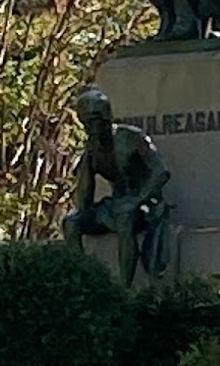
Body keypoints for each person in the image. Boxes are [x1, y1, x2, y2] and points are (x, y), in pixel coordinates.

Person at [62, 88, 171, 287]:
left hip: (145, 203)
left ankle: (124, 288)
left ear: (106, 117)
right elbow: (85, 193)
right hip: (114, 204)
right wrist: (86, 164)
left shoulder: (131, 138)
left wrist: (137, 199)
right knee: (71, 222)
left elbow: (160, 173)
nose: (90, 128)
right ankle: (82, 282)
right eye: (86, 123)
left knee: (125, 216)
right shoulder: (93, 148)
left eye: (94, 121)